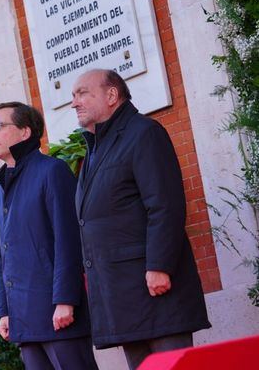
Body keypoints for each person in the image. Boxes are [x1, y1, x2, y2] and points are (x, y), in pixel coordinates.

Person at [71, 69, 211, 369]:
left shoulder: (143, 133)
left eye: (82, 93)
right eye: (73, 96)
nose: (74, 102)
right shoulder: (95, 148)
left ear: (111, 95)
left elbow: (164, 205)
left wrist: (159, 266)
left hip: (154, 291)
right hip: (122, 297)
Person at [0, 102, 98, 370]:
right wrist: (5, 311)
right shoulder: (1, 187)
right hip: (23, 321)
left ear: (25, 132)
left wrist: (66, 300)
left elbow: (69, 241)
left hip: (57, 315)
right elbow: (1, 255)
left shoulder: (52, 171)